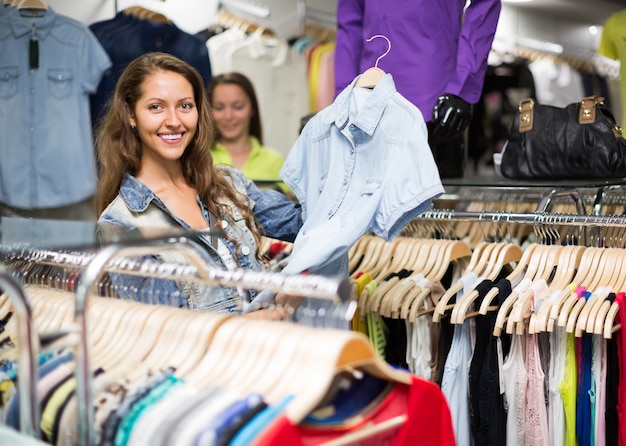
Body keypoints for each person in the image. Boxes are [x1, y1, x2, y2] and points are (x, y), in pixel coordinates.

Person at [94, 52, 303, 316]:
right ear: (130, 114)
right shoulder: (121, 224)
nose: (174, 120)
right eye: (156, 107)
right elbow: (168, 330)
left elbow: (304, 222)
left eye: (184, 106)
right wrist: (252, 323)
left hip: (273, 352)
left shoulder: (228, 185)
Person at [333, 0, 502, 178]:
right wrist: (342, 99)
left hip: (434, 106)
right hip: (367, 108)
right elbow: (350, 25)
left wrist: (463, 85)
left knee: (437, 201)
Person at [207, 72, 289, 193]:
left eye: (238, 107)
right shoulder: (200, 158)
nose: (228, 116)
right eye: (219, 108)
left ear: (252, 109)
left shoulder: (275, 161)